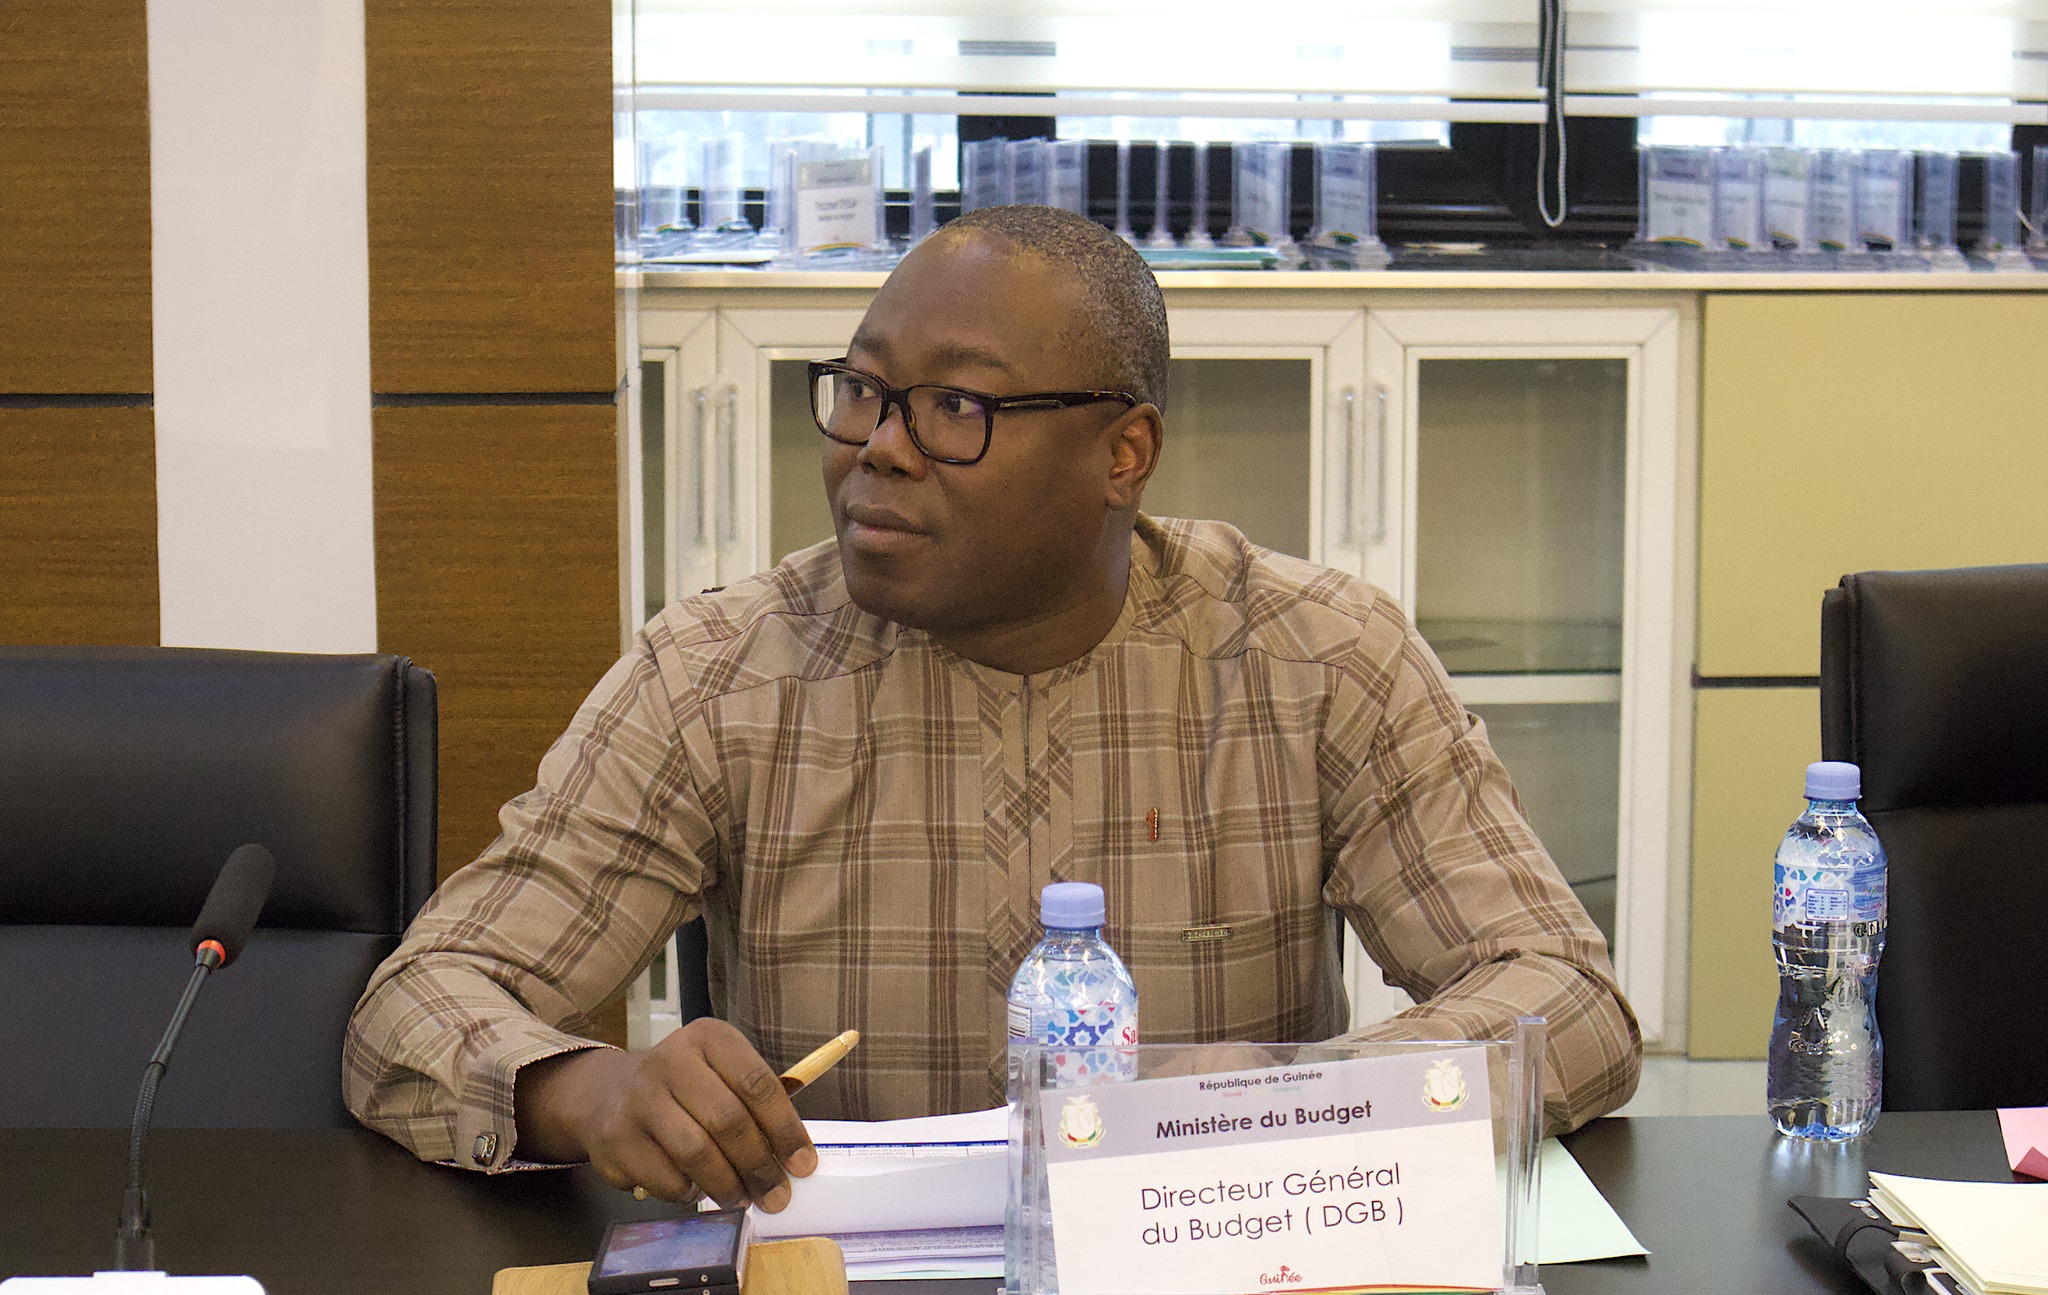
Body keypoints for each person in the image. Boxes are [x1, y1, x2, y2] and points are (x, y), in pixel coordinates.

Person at [345, 204, 1640, 1217]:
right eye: (863, 391)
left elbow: (1569, 1004)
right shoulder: (723, 673)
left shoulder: (1313, 658)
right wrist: (591, 1090)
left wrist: (1290, 1100)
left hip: (1205, 1263)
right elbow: (419, 1004)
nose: (879, 447)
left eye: (955, 407)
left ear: (1123, 454)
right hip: (847, 1274)